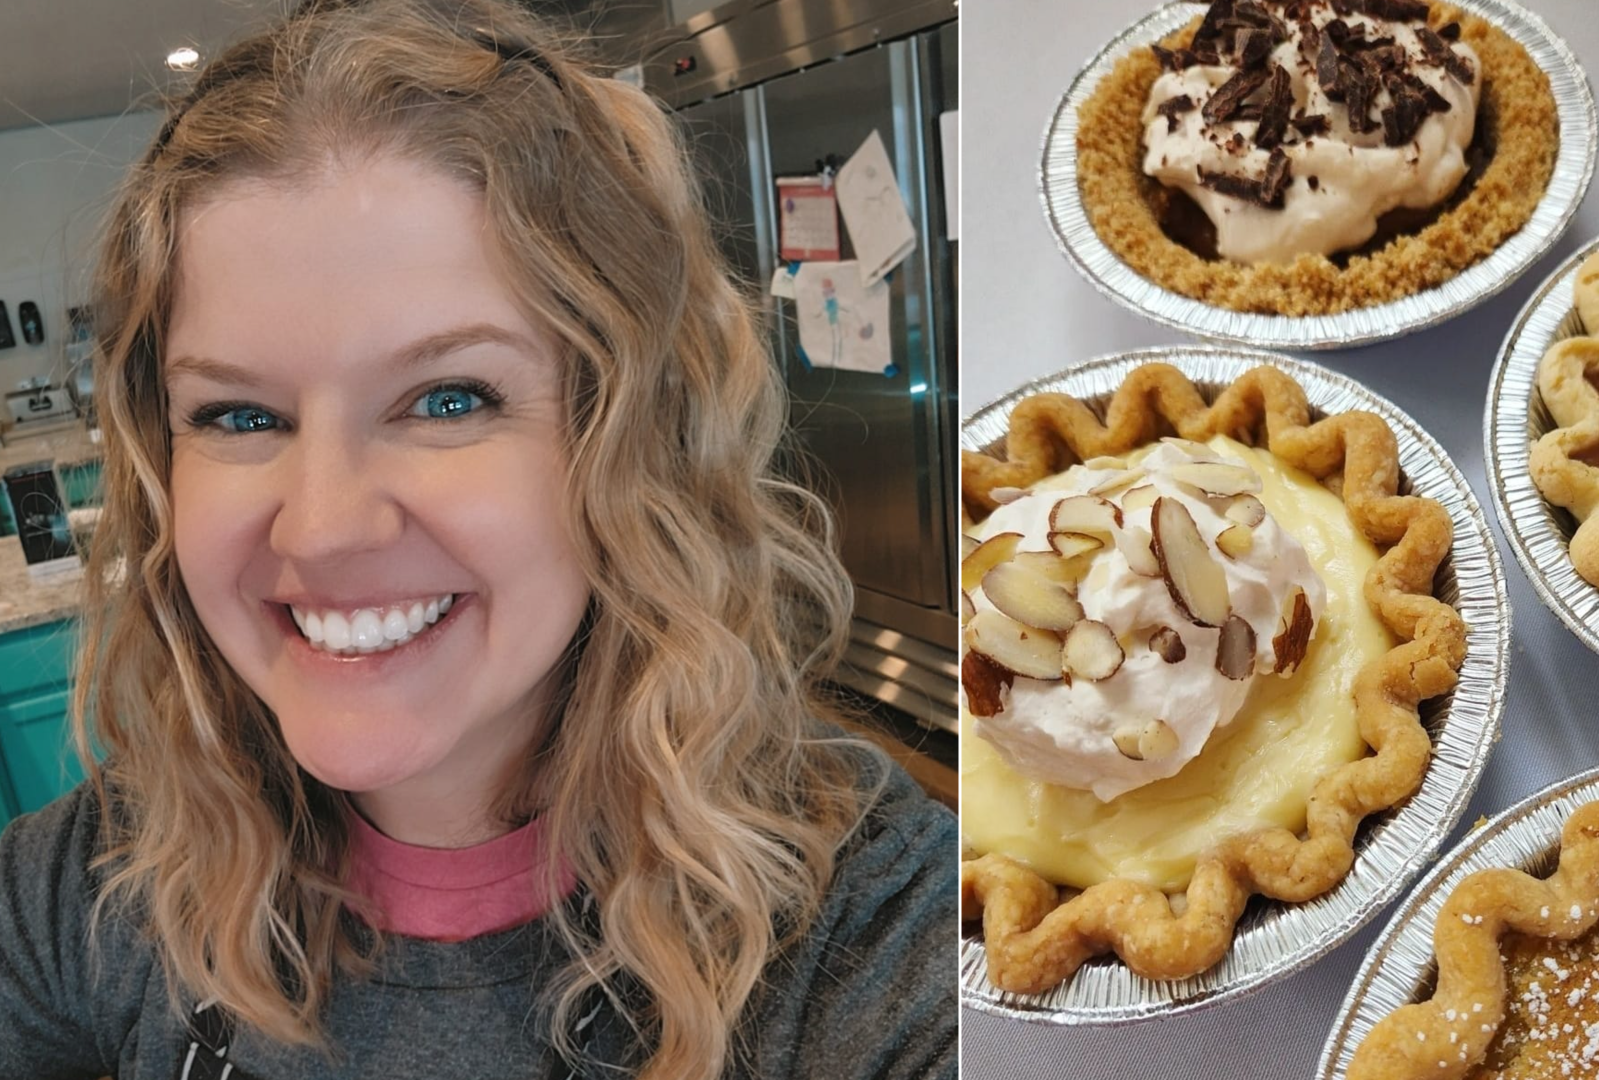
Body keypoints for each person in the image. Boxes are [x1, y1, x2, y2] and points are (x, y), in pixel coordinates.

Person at [0, 1, 958, 1077]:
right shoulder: (82, 894)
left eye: (449, 398)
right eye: (238, 416)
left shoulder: (871, 927)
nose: (322, 528)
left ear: (630, 436)